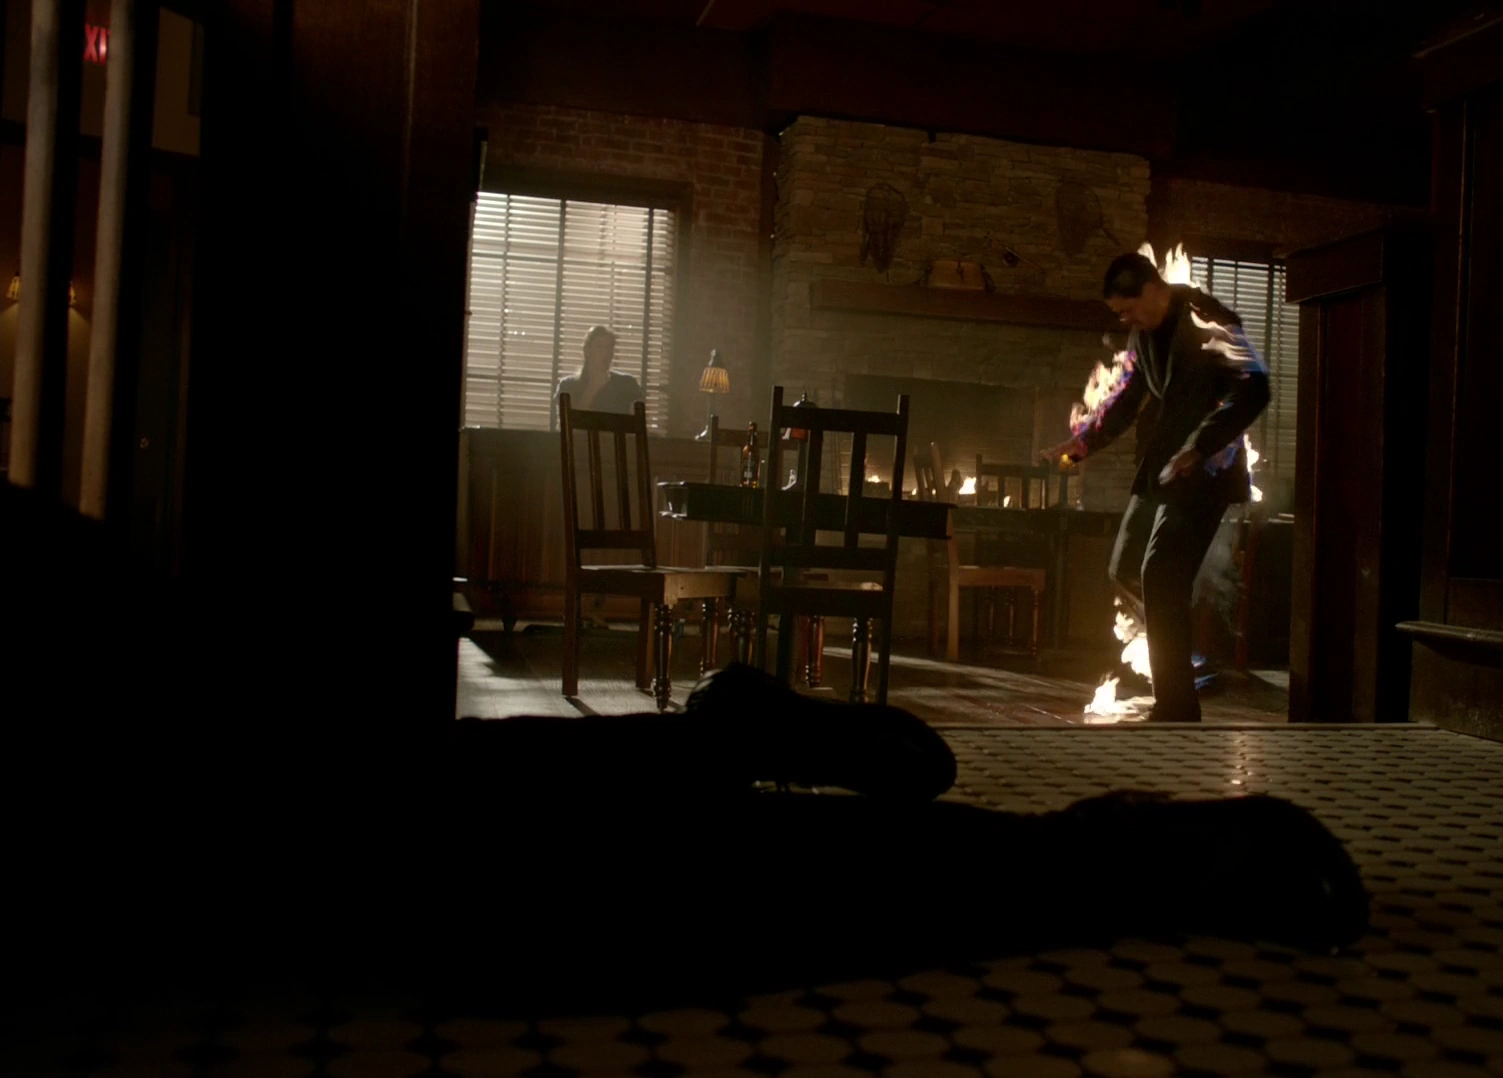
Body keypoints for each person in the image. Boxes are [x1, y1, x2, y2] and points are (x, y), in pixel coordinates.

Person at [1, 479, 1361, 1016]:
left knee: (499, 864)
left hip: (213, 803)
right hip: (223, 778)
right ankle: (713, 739)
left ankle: (1116, 849)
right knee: (459, 829)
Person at [1046, 252, 1271, 723]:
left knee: (1162, 575)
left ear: (1152, 289)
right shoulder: (1142, 336)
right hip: (1164, 469)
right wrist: (1083, 443)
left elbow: (1255, 389)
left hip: (1207, 470)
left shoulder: (1209, 320)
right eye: (1119, 314)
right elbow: (1126, 397)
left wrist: (1201, 447)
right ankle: (1187, 661)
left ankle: (1177, 707)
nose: (1125, 320)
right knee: (1126, 566)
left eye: (1128, 309)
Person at [554, 324, 643, 415]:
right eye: (600, 347)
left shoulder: (627, 383)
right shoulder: (567, 386)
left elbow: (637, 421)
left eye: (609, 347)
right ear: (587, 350)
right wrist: (593, 388)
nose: (606, 352)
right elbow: (568, 420)